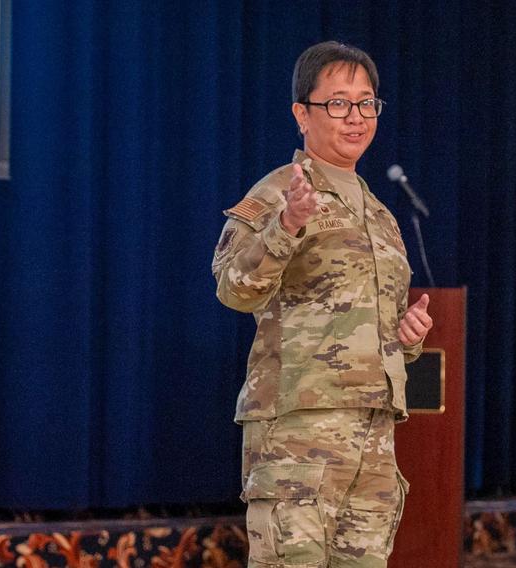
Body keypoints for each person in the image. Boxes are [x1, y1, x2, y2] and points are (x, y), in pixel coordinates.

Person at [212, 41, 433, 567]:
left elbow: (376, 330)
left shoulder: (380, 214)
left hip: (374, 438)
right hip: (298, 435)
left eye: (366, 103)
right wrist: (287, 227)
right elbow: (232, 288)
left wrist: (410, 336)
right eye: (337, 103)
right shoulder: (275, 194)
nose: (355, 117)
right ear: (302, 114)